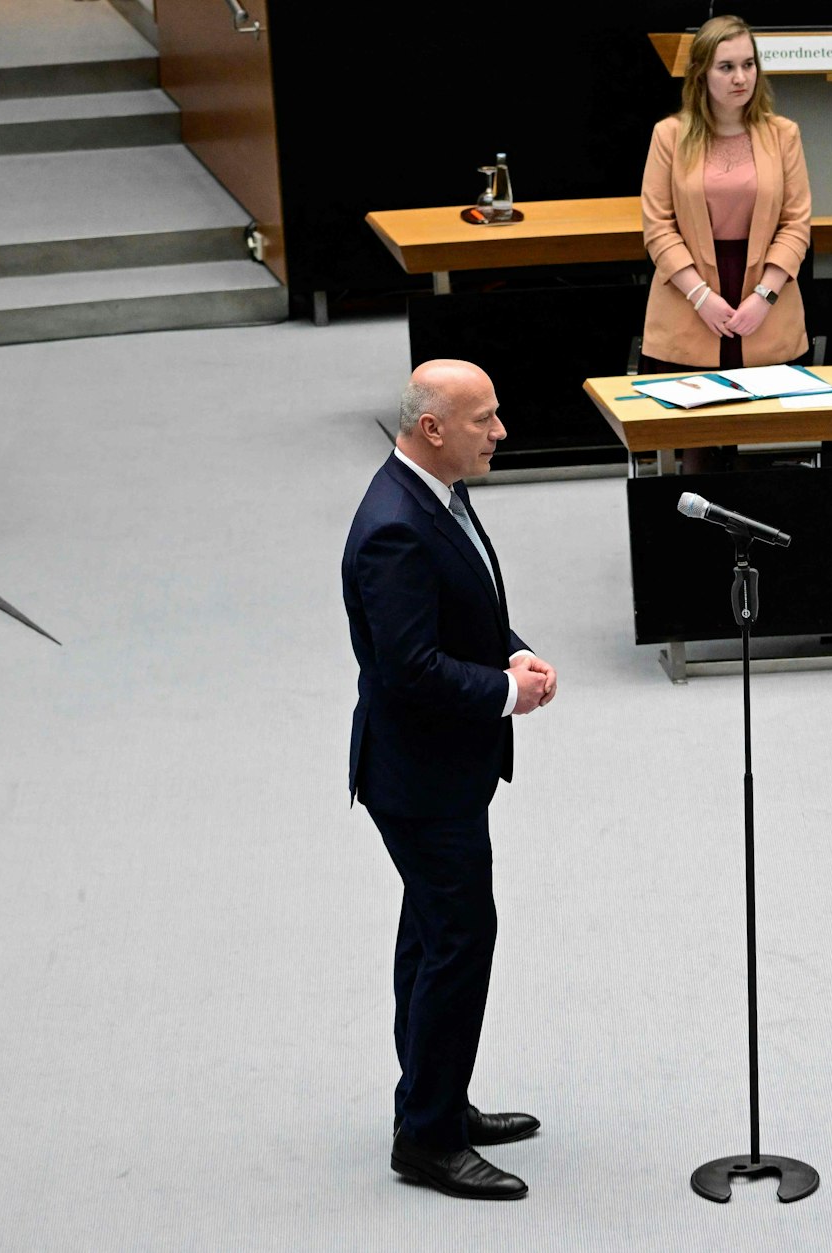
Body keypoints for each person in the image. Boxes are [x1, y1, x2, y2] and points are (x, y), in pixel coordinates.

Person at [342, 359, 557, 1201]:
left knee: (432, 937)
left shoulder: (437, 492)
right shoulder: (394, 526)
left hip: (440, 770)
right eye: (483, 419)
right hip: (420, 779)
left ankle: (433, 1100)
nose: (500, 431)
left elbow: (467, 608)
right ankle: (429, 1139)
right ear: (432, 429)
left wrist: (513, 651)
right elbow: (409, 669)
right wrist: (506, 691)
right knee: (459, 940)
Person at [638, 14, 811, 380]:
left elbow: (796, 225)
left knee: (766, 411)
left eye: (748, 65)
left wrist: (764, 297)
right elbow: (658, 228)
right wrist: (701, 297)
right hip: (688, 299)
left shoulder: (783, 134)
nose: (741, 78)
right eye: (726, 67)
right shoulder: (668, 135)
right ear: (701, 73)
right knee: (688, 413)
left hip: (765, 301)